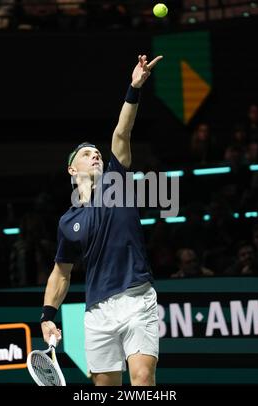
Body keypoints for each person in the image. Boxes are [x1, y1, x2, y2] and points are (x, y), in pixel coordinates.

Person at [40, 54, 163, 386]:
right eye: (86, 153)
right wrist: (47, 316)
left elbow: (122, 132)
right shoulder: (68, 221)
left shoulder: (115, 180)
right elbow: (60, 273)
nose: (95, 154)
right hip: (97, 312)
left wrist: (134, 89)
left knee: (142, 378)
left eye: (97, 151)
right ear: (71, 170)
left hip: (137, 297)